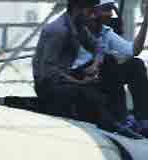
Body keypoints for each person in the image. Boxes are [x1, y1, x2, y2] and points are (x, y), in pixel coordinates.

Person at [33, 0, 140, 137]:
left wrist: (95, 65)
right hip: (48, 85)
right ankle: (111, 124)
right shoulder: (58, 31)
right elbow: (48, 73)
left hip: (64, 76)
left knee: (110, 63)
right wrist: (81, 82)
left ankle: (121, 119)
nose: (93, 16)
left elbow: (98, 47)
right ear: (78, 9)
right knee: (88, 94)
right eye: (89, 11)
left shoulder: (78, 26)